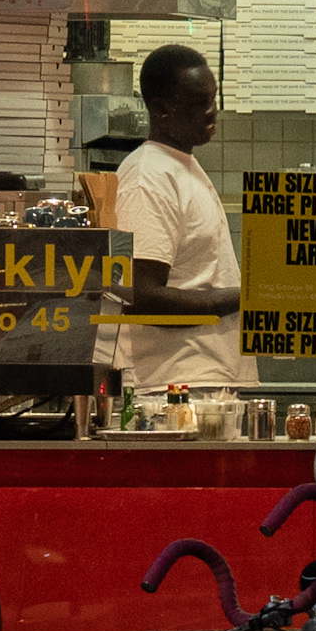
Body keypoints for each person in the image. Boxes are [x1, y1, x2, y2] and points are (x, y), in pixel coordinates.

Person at [108, 46, 242, 407]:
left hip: (197, 381)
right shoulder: (148, 176)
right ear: (161, 108)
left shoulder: (181, 165)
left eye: (213, 98)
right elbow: (141, 297)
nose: (212, 111)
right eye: (199, 102)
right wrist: (252, 297)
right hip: (169, 389)